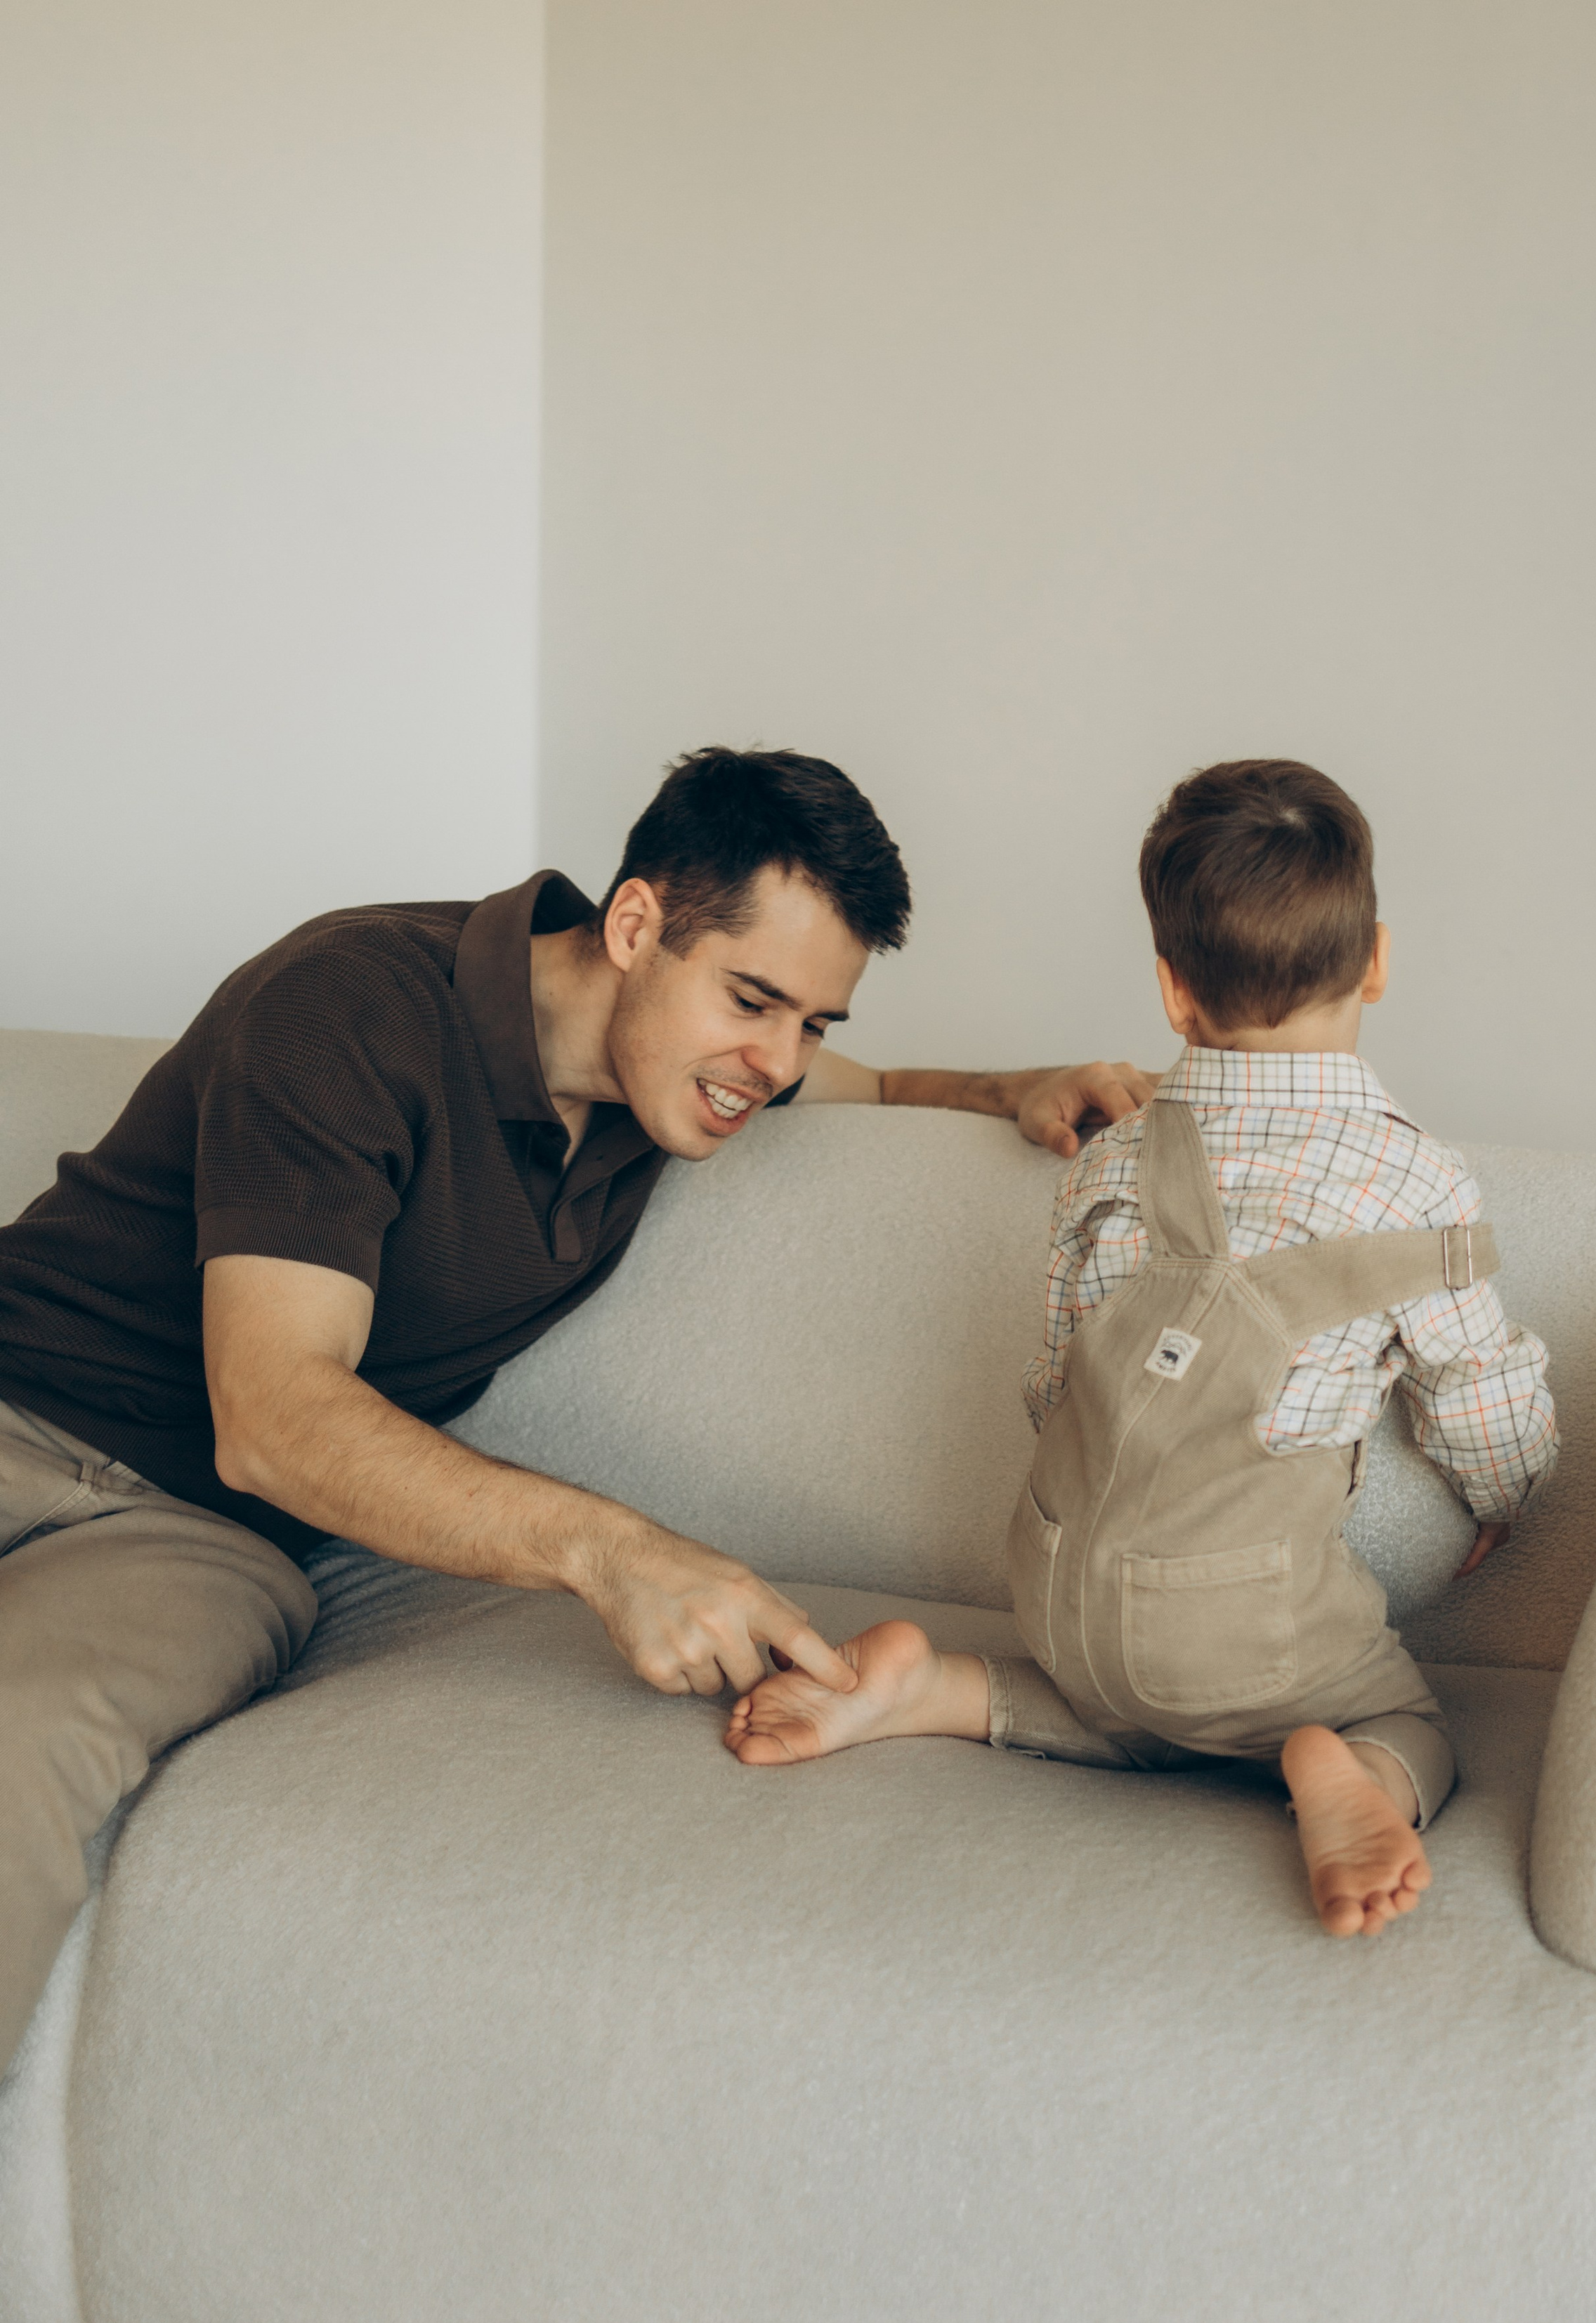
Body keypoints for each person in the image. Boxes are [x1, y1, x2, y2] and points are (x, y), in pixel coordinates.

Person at [0, 746, 1156, 2074]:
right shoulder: (348, 1003)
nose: (776, 1063)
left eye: (814, 1022)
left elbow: (877, 1089)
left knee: (21, 1749)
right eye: (754, 1000)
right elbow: (270, 1411)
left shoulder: (676, 1074)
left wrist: (1005, 1090)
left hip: (201, 1541)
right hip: (20, 1403)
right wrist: (615, 1552)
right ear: (635, 924)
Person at [727, 757, 1558, 1941]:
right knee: (1404, 1725)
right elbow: (1479, 1382)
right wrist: (1507, 1491)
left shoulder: (1107, 1164)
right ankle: (1352, 1773)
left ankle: (936, 1689)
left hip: (1061, 1587)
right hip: (1245, 1623)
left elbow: (1055, 1380)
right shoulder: (1418, 1184)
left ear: (1172, 990)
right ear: (1376, 960)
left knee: (1131, 1711)